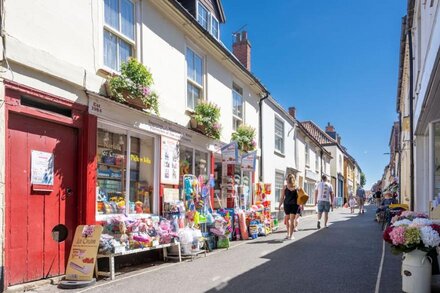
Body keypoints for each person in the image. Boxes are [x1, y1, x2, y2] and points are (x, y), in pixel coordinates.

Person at [278, 174, 300, 240]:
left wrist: (279, 205)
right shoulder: (297, 187)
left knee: (287, 219)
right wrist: (301, 205)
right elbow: (301, 197)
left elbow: (282, 197)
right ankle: (291, 235)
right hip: (294, 205)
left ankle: (288, 234)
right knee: (292, 220)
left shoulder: (285, 187)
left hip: (287, 205)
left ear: (287, 179)